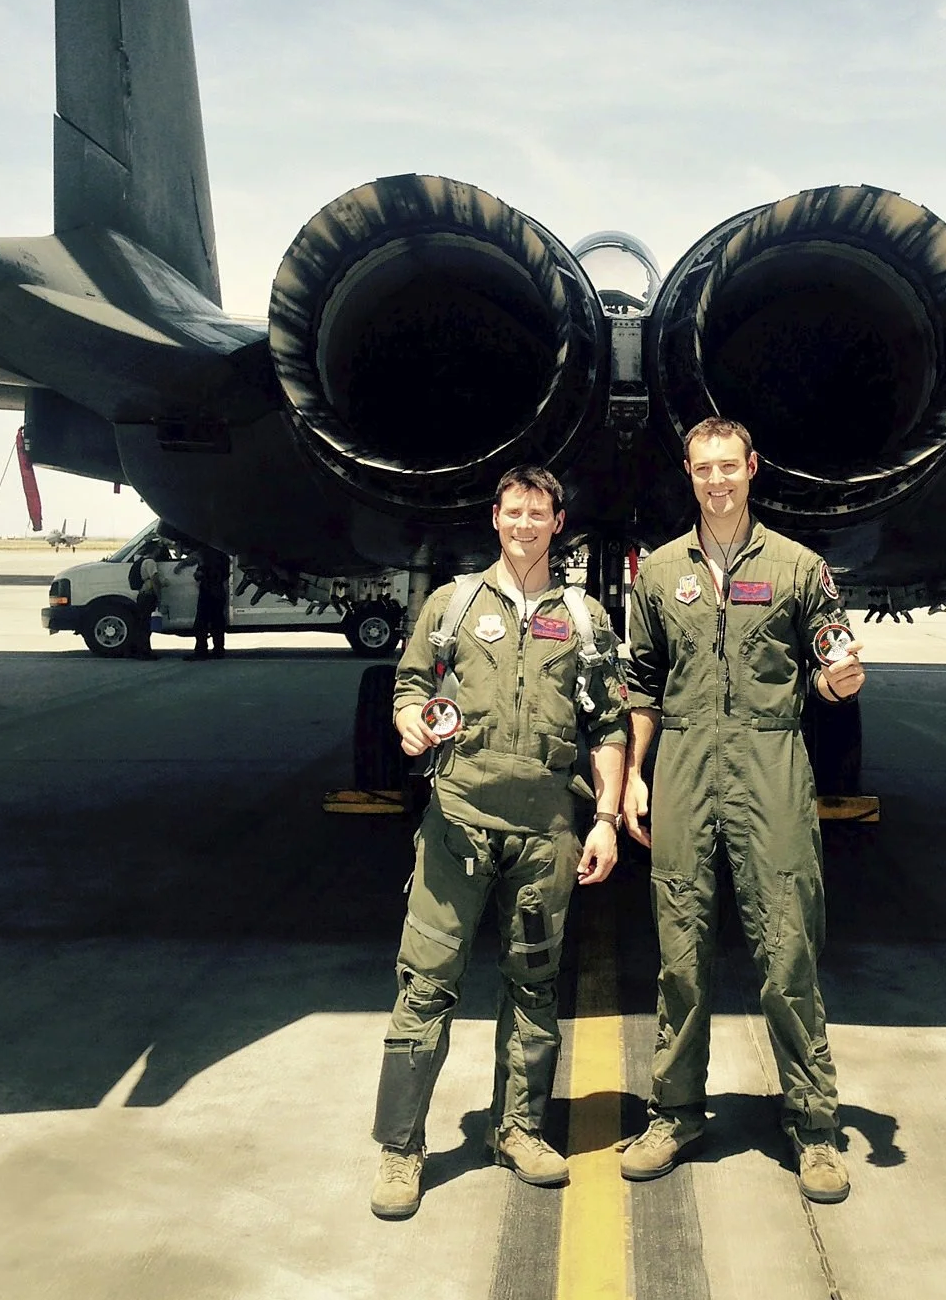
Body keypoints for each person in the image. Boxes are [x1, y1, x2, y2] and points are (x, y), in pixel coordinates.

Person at [369, 466, 628, 1221]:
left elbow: (607, 725)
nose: (523, 525)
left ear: (557, 522)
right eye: (513, 512)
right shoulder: (450, 607)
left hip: (547, 832)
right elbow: (410, 684)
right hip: (457, 825)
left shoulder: (585, 619)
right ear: (495, 517)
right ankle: (401, 1148)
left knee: (534, 987)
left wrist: (606, 817)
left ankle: (517, 1130)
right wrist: (409, 718)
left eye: (537, 514)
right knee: (425, 986)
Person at [619, 416, 865, 1204]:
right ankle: (676, 1111)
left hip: (771, 761)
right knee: (680, 951)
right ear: (687, 474)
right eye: (703, 469)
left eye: (729, 466)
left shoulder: (800, 567)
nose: (717, 480)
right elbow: (644, 686)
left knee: (787, 946)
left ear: (752, 468)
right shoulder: (659, 574)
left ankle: (816, 1125)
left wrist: (839, 682)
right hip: (686, 763)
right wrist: (633, 775)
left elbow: (828, 664)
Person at [191, 545, 230, 658]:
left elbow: (200, 574)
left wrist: (201, 569)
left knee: (201, 623)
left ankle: (201, 650)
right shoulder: (224, 556)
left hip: (208, 591)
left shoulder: (206, 556)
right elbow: (224, 575)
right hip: (219, 591)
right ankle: (218, 650)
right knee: (217, 623)